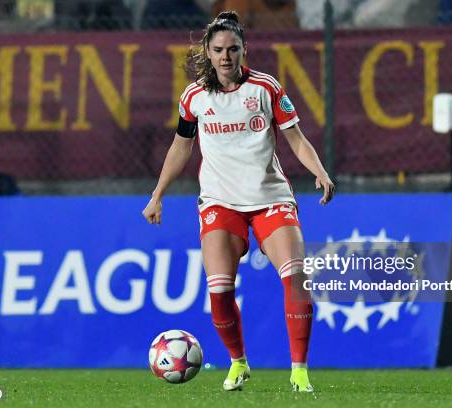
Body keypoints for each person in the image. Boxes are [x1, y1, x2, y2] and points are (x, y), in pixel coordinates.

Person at [142, 11, 334, 392]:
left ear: (244, 50)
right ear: (208, 53)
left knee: (295, 280)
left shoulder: (265, 88)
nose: (226, 56)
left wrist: (320, 171)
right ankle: (238, 363)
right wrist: (157, 194)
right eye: (218, 50)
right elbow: (182, 146)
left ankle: (299, 372)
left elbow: (295, 137)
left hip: (270, 198)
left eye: (233, 49)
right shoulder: (194, 97)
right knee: (219, 289)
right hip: (219, 201)